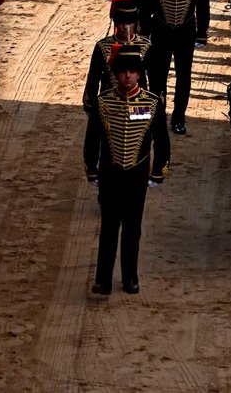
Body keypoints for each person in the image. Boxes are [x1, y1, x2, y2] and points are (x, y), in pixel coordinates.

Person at [84, 45, 170, 295]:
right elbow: (92, 139)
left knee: (133, 227)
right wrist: (92, 168)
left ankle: (130, 277)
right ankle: (103, 280)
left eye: (132, 71)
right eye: (123, 72)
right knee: (109, 227)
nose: (128, 76)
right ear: (116, 74)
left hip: (137, 174)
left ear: (139, 75)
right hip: (111, 173)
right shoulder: (103, 103)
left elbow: (161, 140)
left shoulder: (152, 104)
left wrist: (158, 172)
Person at [139, 0, 211, 136]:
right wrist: (144, 29)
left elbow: (203, 5)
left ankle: (179, 117)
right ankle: (158, 115)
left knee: (183, 77)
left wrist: (201, 33)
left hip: (185, 32)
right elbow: (146, 3)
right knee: (157, 77)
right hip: (160, 30)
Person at [82, 1, 151, 114]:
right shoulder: (102, 46)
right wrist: (90, 104)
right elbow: (94, 77)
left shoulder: (146, 46)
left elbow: (154, 79)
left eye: (129, 23)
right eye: (121, 23)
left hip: (138, 105)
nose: (125, 27)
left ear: (135, 23)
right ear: (116, 23)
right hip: (109, 105)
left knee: (136, 131)